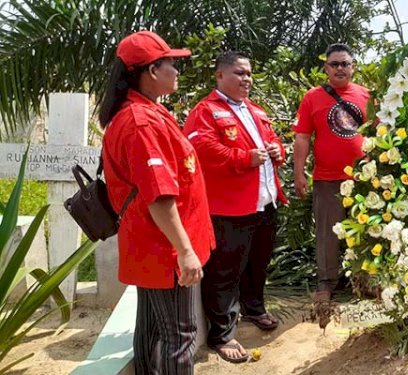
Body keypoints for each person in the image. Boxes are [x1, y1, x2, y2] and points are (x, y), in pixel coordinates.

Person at [99, 31, 214, 374]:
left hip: (149, 244)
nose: (177, 71)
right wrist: (185, 251)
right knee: (180, 337)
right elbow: (159, 196)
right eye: (171, 64)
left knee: (152, 329)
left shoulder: (142, 112)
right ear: (150, 70)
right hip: (163, 247)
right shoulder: (141, 122)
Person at [183, 51, 286, 363]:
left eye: (249, 74)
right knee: (225, 271)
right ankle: (222, 334)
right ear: (220, 76)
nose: (246, 79)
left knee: (258, 262)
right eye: (239, 73)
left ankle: (254, 308)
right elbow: (200, 148)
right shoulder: (206, 111)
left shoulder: (255, 111)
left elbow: (274, 142)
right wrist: (243, 158)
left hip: (265, 202)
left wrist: (276, 150)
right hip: (230, 208)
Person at [293, 43, 370, 301]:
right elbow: (303, 137)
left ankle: (363, 281)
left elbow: (379, 134)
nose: (340, 68)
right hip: (328, 179)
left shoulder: (368, 96)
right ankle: (326, 283)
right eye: (334, 64)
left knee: (365, 231)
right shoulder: (312, 97)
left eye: (344, 64)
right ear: (326, 68)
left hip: (363, 180)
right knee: (327, 234)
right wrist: (299, 172)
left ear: (353, 67)